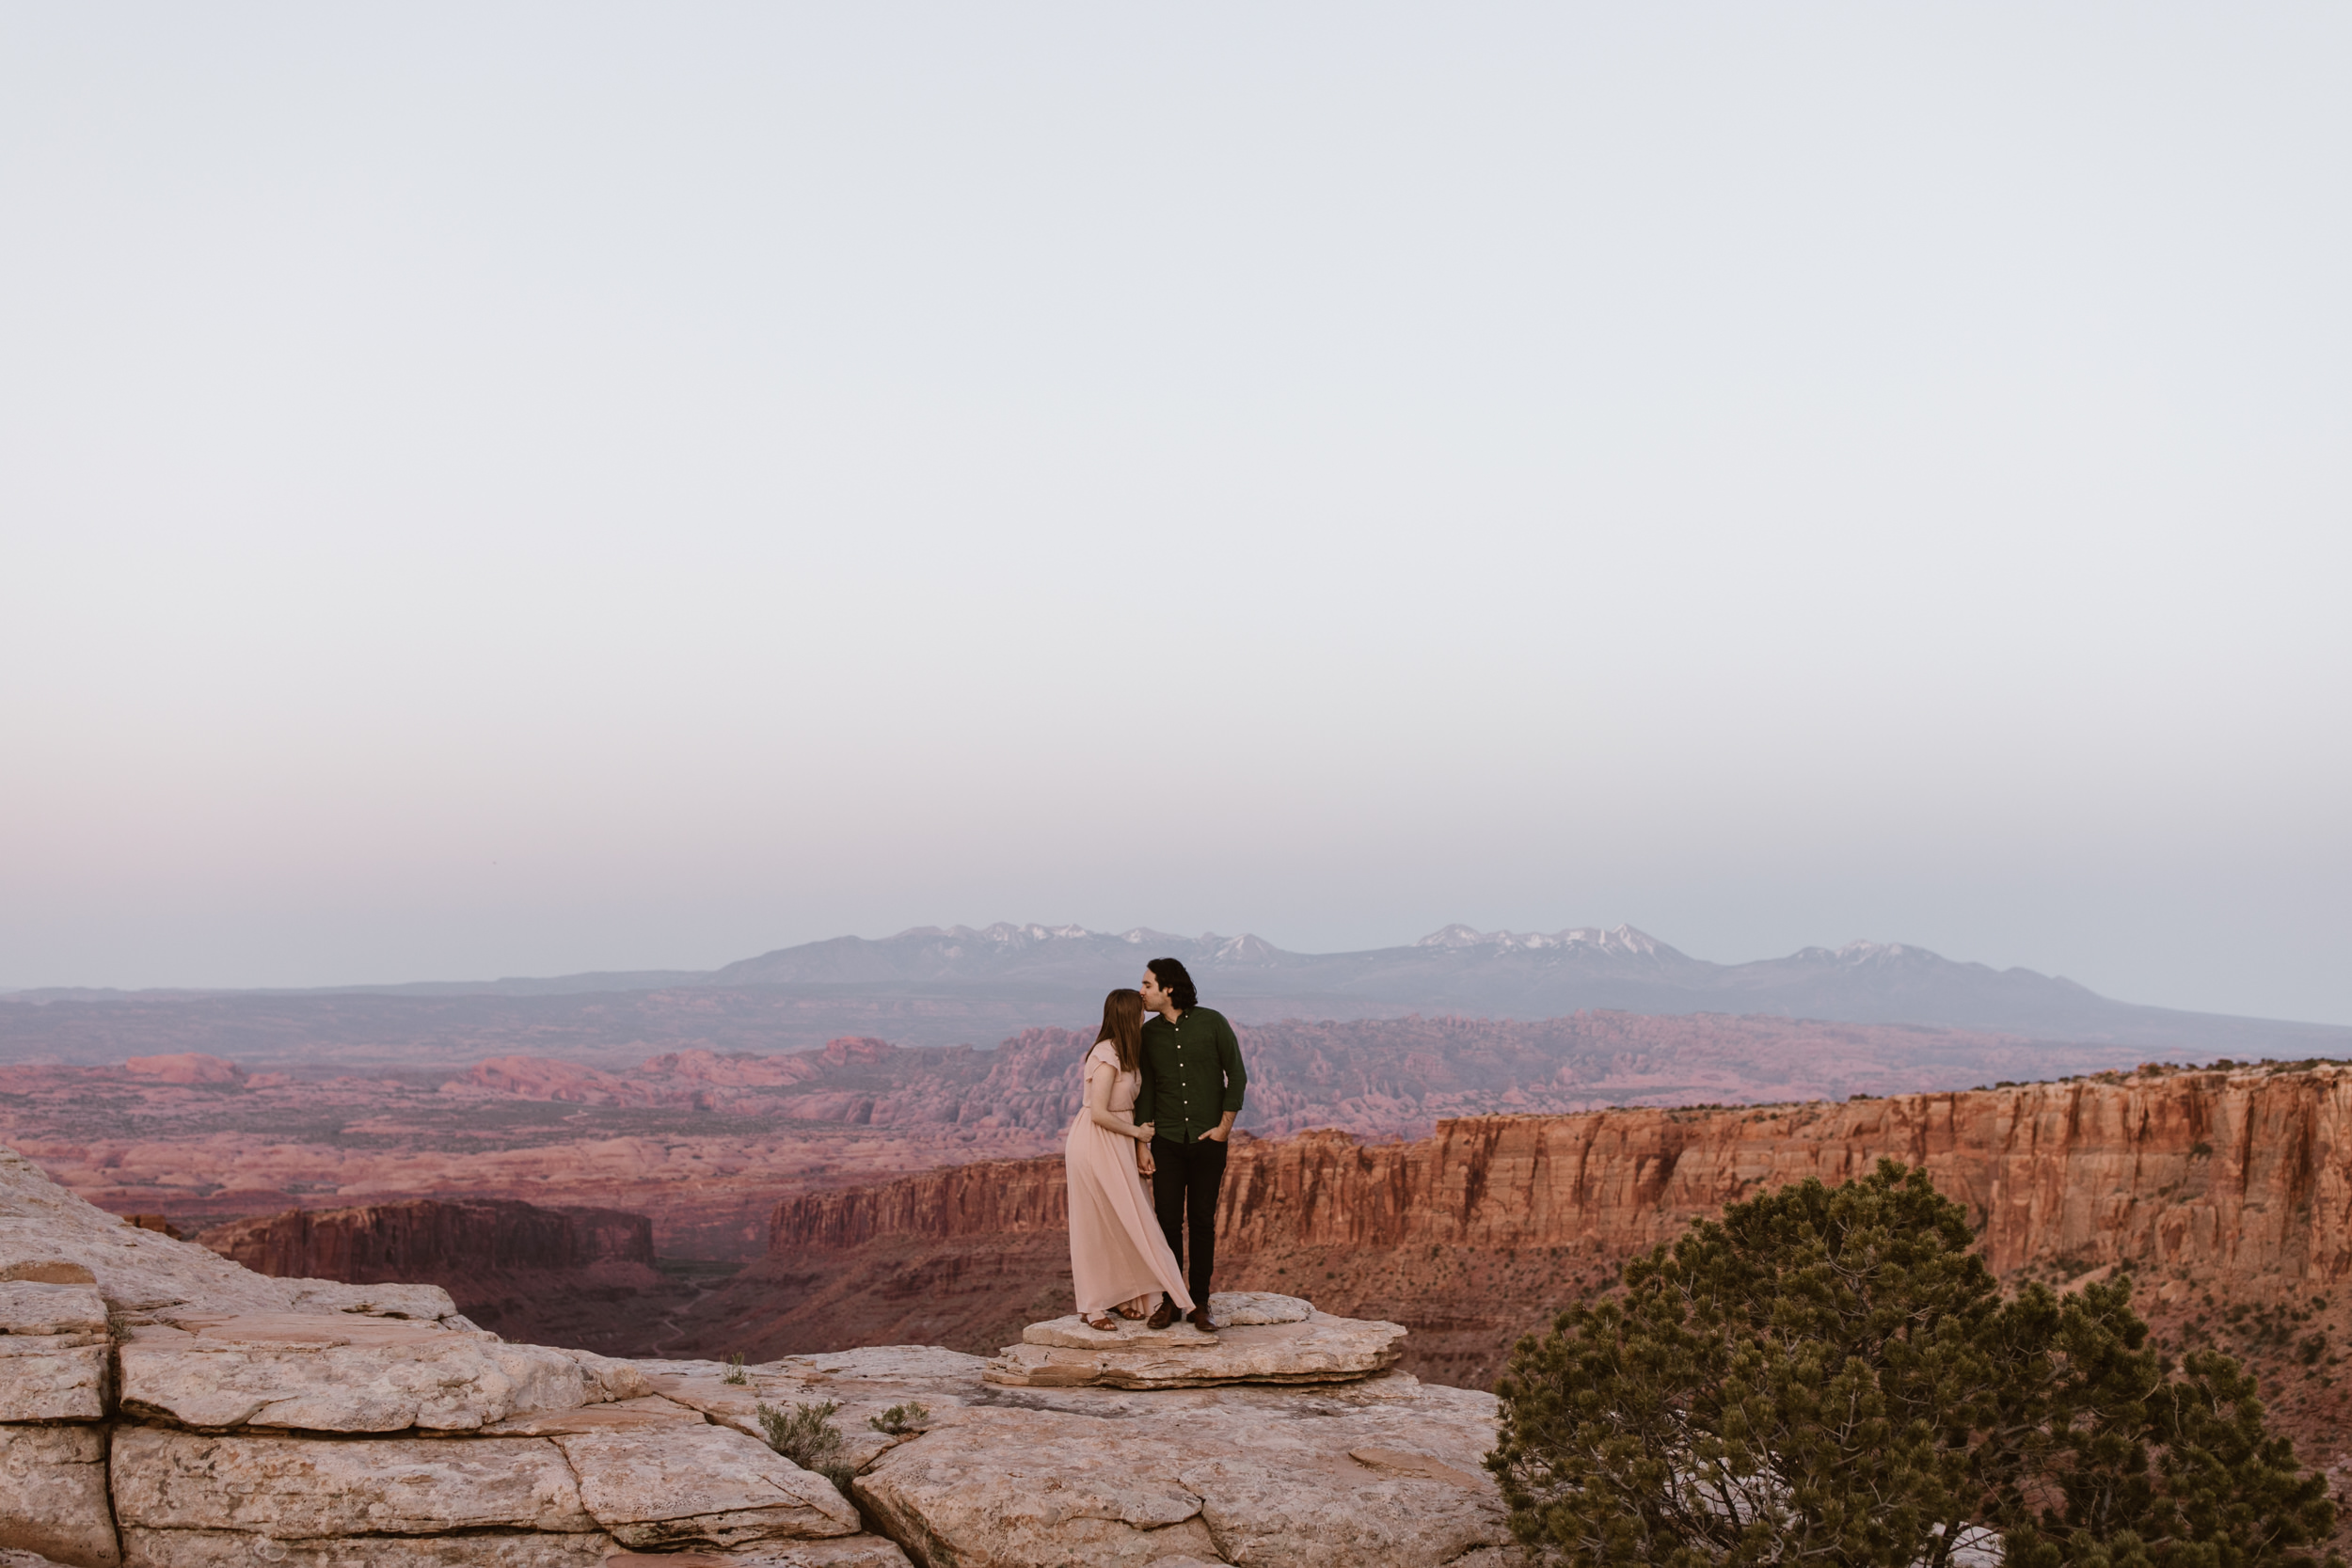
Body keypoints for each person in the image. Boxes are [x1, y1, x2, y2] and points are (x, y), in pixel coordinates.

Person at [1064, 988, 1194, 1333]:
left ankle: (1122, 1296)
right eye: (1139, 1012)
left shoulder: (1128, 1051)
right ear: (1127, 1016)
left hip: (1121, 1141)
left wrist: (1137, 1144)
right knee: (1096, 1223)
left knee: (1123, 1221)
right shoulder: (1106, 1057)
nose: (1144, 1016)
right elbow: (1099, 1114)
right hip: (1096, 1142)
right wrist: (1139, 1135)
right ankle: (1092, 1306)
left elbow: (1133, 1107)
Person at [1132, 956, 1247, 1332]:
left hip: (1208, 1141)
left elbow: (1238, 1077)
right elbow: (1146, 1089)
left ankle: (1200, 1303)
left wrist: (1223, 1129)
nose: (1142, 992)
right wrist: (1143, 1142)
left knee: (1200, 1222)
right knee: (1166, 1222)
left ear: (1168, 988)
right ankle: (1170, 1302)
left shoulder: (1212, 1023)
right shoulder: (1149, 1035)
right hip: (1165, 1141)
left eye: (1148, 985)